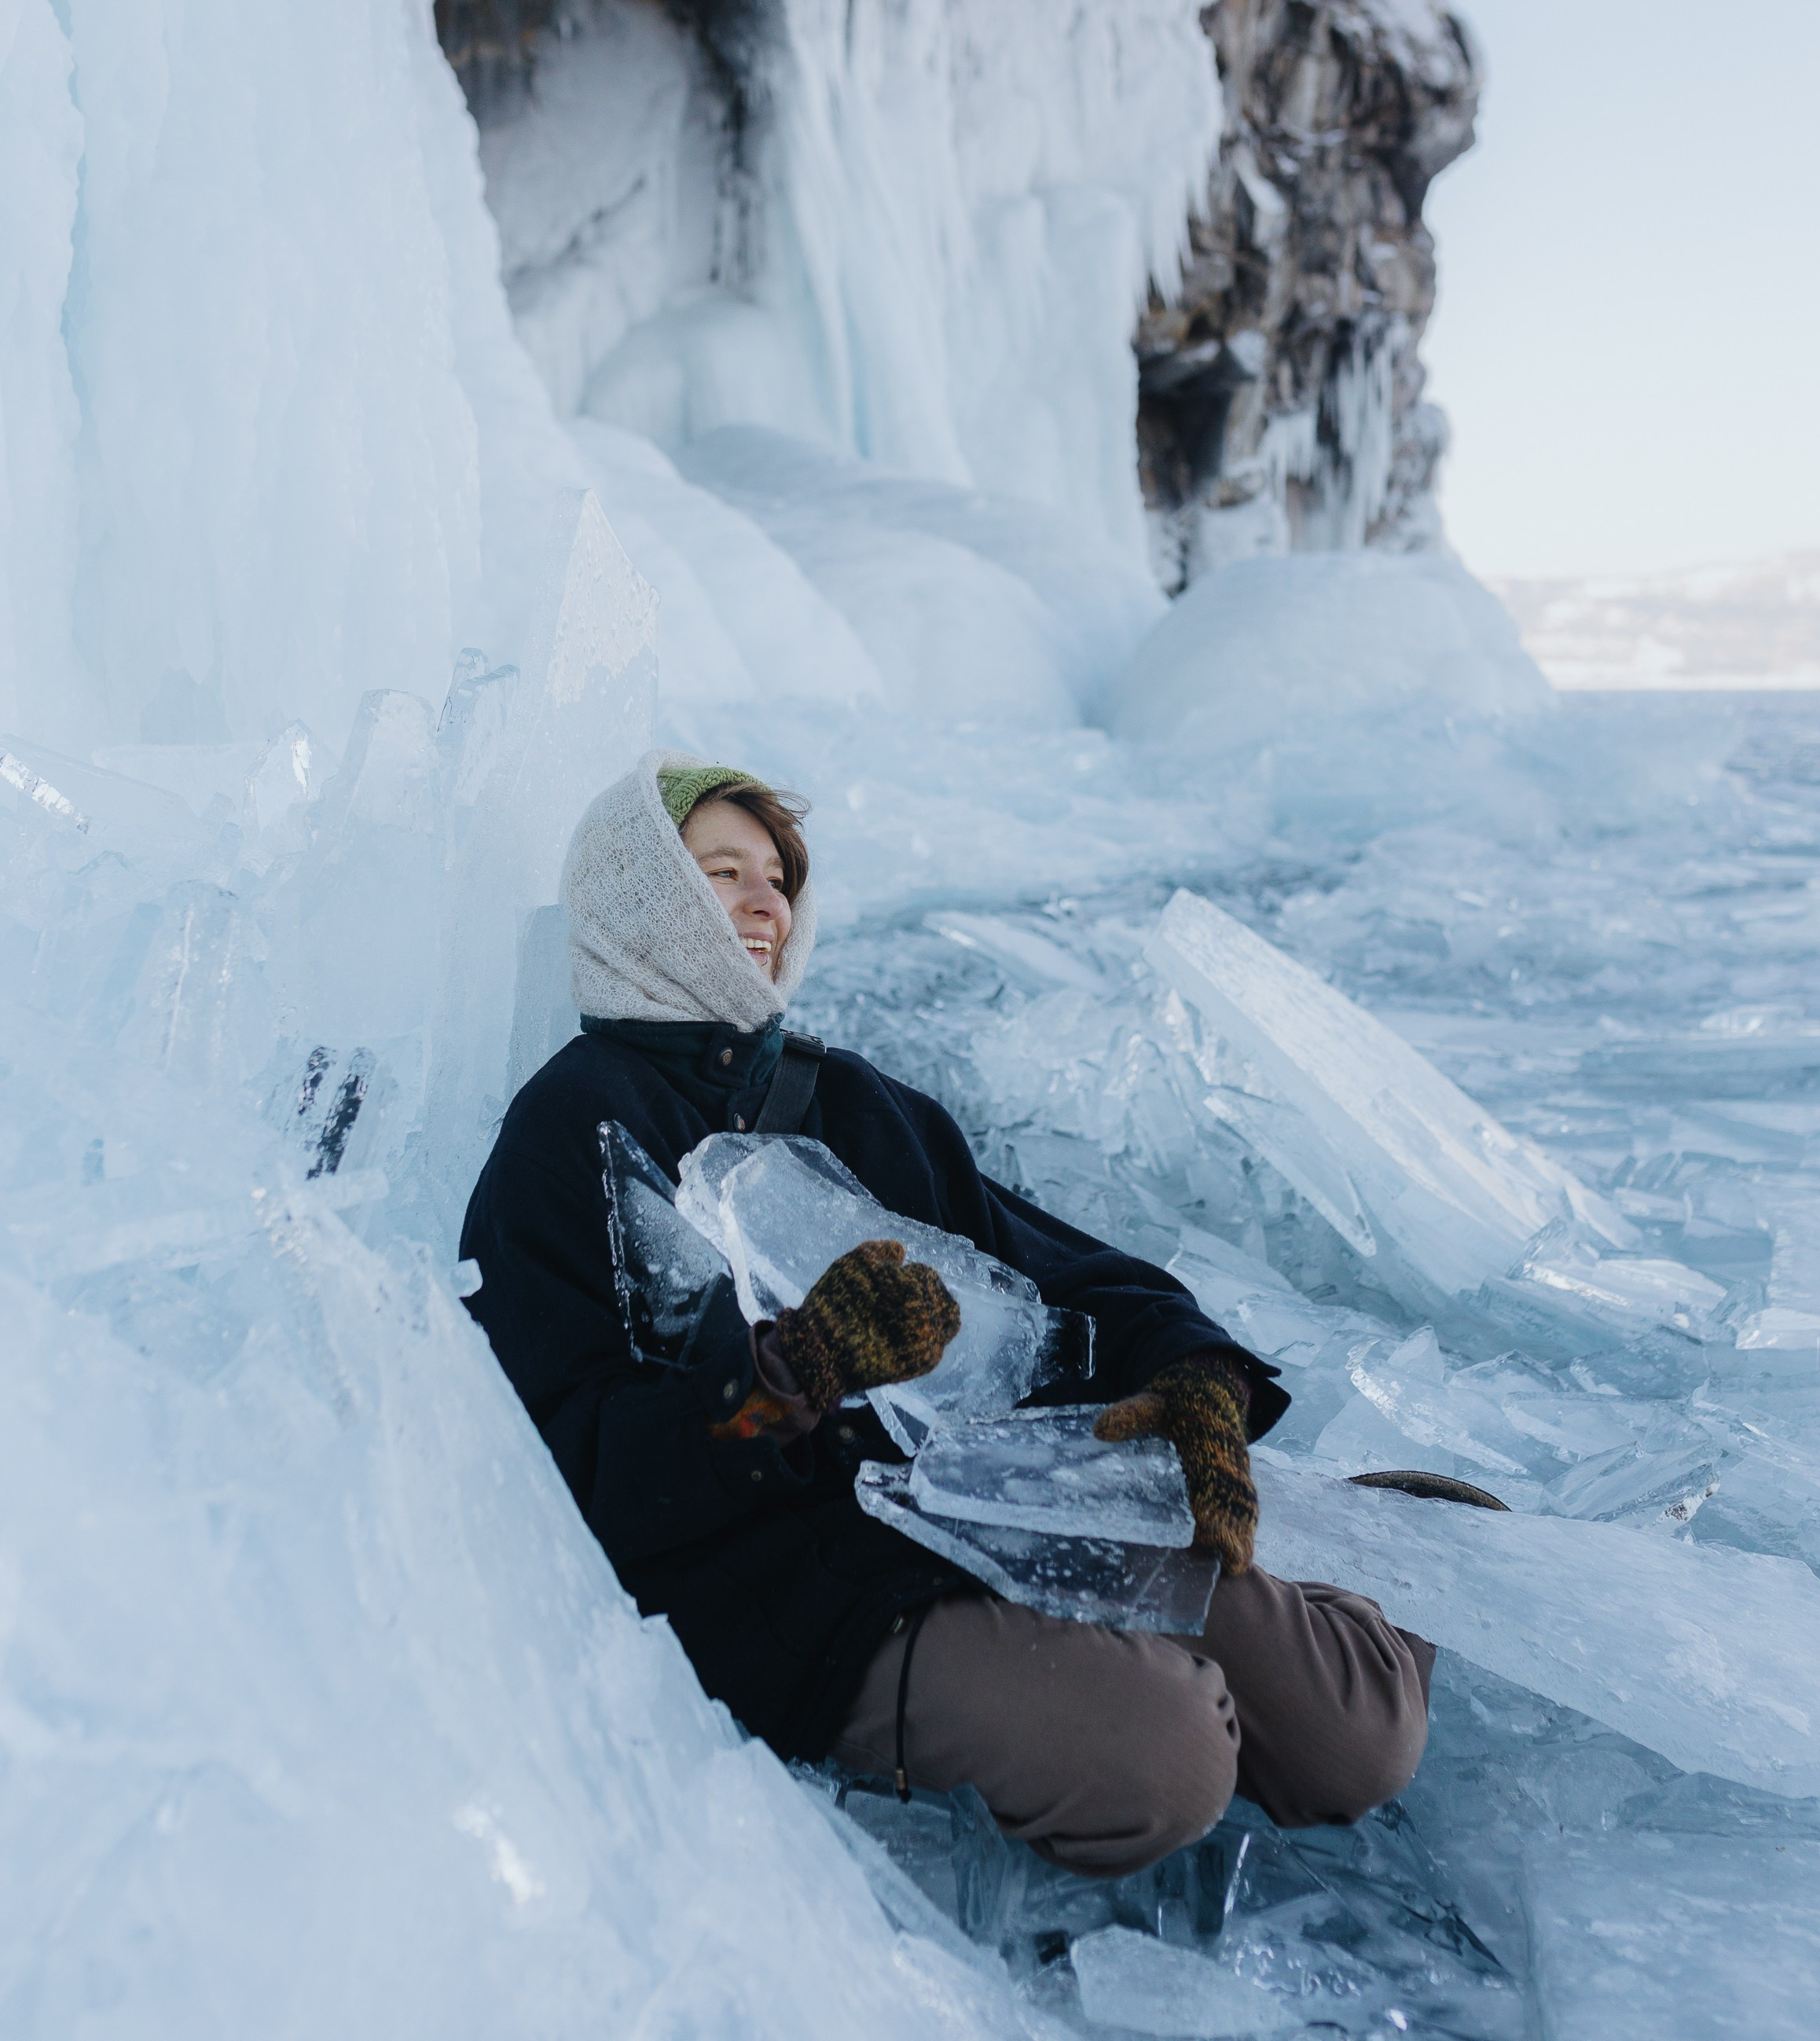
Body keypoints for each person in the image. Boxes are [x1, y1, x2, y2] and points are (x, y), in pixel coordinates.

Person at [461, 751, 1433, 1877]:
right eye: (719, 871)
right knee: (1165, 1758)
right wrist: (787, 1380)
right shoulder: (569, 1129)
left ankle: (1369, 1547)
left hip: (983, 1506)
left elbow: (1064, 1280)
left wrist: (1191, 1376)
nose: (763, 900)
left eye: (776, 876)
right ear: (638, 895)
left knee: (1352, 1742)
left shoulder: (854, 1105)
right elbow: (572, 1459)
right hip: (791, 1586)